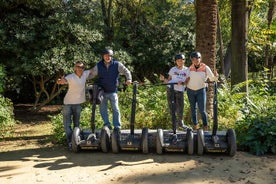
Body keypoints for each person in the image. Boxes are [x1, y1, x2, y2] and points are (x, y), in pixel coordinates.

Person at [89, 49, 132, 131]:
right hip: (102, 92)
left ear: (111, 56)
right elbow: (91, 74)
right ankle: (107, 125)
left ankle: (117, 126)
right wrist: (82, 77)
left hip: (113, 91)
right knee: (103, 110)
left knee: (115, 109)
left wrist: (129, 79)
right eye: (106, 55)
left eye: (109, 56)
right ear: (103, 56)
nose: (107, 57)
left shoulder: (117, 64)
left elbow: (126, 71)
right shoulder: (98, 65)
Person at [56, 61, 91, 149]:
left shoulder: (85, 74)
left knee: (77, 124)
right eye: (78, 67)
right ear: (75, 68)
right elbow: (61, 81)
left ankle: (76, 141)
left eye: (82, 67)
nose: (80, 69)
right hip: (68, 103)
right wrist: (60, 81)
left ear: (83, 69)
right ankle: (70, 142)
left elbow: (95, 70)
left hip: (78, 104)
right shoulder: (70, 76)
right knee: (67, 124)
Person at [186, 51, 217, 131]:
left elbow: (212, 78)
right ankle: (195, 126)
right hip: (190, 91)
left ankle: (205, 126)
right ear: (192, 60)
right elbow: (184, 79)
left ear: (200, 59)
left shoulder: (205, 67)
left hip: (201, 90)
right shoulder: (189, 68)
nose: (196, 60)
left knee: (202, 110)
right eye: (194, 59)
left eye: (198, 58)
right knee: (193, 109)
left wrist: (216, 76)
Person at [160, 53, 190, 130]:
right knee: (172, 108)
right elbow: (169, 80)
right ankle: (174, 125)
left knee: (180, 108)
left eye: (182, 60)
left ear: (184, 61)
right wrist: (163, 79)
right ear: (176, 61)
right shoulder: (173, 69)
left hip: (180, 90)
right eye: (178, 61)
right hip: (171, 89)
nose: (180, 62)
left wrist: (182, 83)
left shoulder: (187, 70)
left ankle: (181, 123)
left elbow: (187, 81)